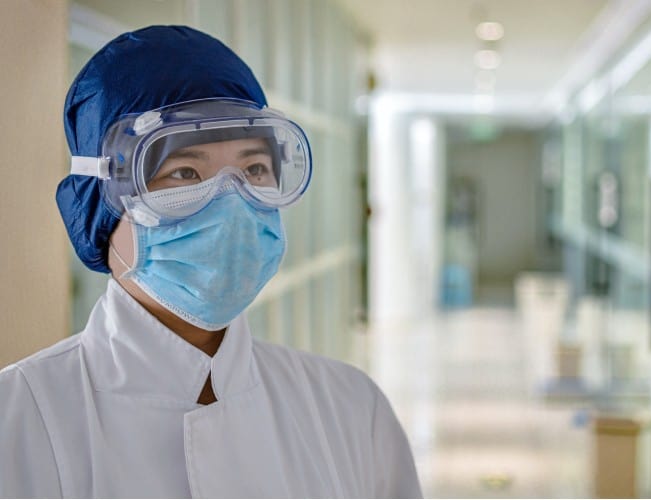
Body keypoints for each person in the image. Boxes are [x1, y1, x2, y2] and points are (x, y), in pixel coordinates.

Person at [0, 25, 421, 498]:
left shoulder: (349, 408)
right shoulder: (17, 422)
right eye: (184, 172)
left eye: (254, 169)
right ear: (99, 203)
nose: (231, 203)